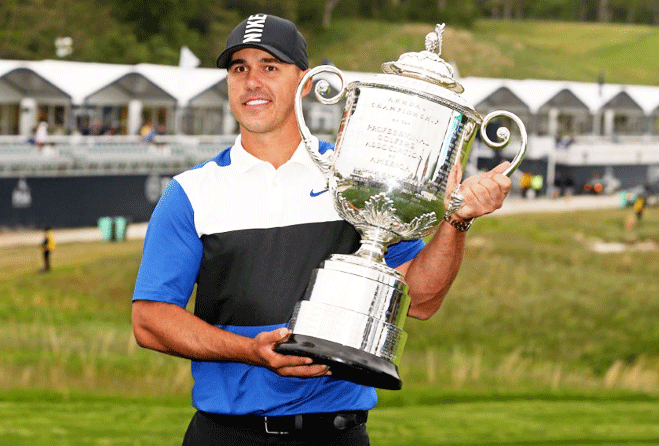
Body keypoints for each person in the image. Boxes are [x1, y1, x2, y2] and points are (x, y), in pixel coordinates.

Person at [131, 13, 512, 446]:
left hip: (336, 435)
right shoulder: (191, 192)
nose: (252, 81)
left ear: (308, 82)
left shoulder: (356, 177)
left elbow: (420, 300)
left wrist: (456, 221)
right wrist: (250, 352)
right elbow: (150, 321)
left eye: (270, 67)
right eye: (239, 69)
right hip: (226, 435)